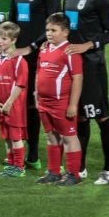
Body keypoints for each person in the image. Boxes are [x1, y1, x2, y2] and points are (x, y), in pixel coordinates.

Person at [63, 0, 109, 185]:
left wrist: (88, 45)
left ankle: (107, 170)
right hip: (72, 65)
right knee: (81, 117)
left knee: (102, 117)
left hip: (93, 65)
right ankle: (81, 167)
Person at [9, 0, 61, 170]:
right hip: (18, 56)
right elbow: (12, 22)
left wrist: (31, 46)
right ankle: (26, 152)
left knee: (39, 105)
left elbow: (54, 26)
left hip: (40, 58)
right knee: (20, 104)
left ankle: (40, 154)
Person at [35, 13, 84, 186]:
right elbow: (39, 73)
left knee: (69, 137)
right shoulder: (44, 49)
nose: (49, 33)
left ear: (65, 32)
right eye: (47, 30)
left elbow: (77, 78)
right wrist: (36, 94)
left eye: (54, 30)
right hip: (44, 102)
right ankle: (54, 172)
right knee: (51, 136)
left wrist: (72, 104)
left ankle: (73, 174)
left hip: (61, 103)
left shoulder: (70, 52)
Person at [0, 22, 29, 178]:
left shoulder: (19, 60)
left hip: (13, 106)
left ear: (13, 40)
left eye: (4, 39)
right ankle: (12, 163)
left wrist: (9, 103)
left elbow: (20, 84)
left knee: (15, 136)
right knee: (6, 136)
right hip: (0, 105)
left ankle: (19, 167)